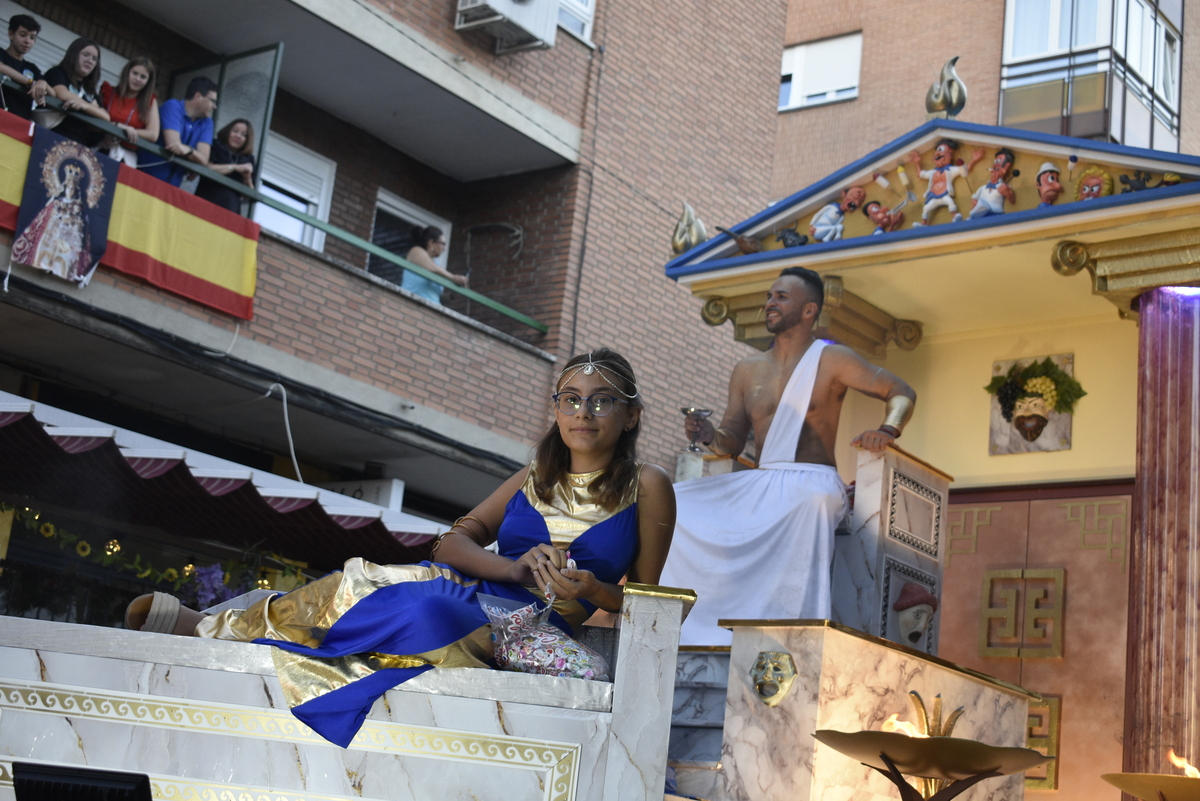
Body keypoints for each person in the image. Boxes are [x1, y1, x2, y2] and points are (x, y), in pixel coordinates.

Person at [125, 348, 676, 747]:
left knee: (428, 603)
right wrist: (511, 568)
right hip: (476, 590)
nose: (584, 413)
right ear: (556, 410)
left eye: (603, 401)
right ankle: (217, 625)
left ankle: (228, 626)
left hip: (534, 630)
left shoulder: (647, 487)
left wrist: (598, 589)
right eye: (571, 399)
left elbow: (652, 605)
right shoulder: (535, 473)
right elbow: (451, 543)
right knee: (376, 580)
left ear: (632, 416)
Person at [659, 266, 916, 645]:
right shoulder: (747, 370)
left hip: (814, 479)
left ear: (809, 310)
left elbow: (901, 391)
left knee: (807, 501)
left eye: (781, 296)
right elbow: (731, 439)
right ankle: (691, 629)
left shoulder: (834, 359)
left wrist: (887, 431)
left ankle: (791, 635)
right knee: (674, 501)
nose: (770, 303)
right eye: (769, 296)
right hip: (763, 478)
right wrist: (710, 435)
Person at [138, 76, 217, 187]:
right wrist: (194, 156)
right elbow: (174, 145)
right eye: (212, 101)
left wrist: (189, 151)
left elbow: (204, 159)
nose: (215, 106)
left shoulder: (207, 122)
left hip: (172, 187)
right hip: (145, 177)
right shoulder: (173, 106)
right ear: (198, 96)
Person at [43, 37, 109, 147]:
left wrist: (84, 106)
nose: (90, 61)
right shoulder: (57, 73)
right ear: (73, 54)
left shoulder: (90, 90)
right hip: (50, 136)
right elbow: (63, 94)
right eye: (86, 55)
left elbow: (106, 116)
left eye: (94, 58)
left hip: (77, 147)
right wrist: (92, 107)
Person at [98, 56, 159, 168]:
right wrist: (122, 127)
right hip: (100, 148)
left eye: (143, 77)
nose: (138, 79)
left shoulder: (149, 101)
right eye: (135, 73)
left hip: (125, 159)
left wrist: (130, 131)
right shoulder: (108, 92)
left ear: (148, 81)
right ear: (127, 72)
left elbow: (153, 134)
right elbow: (96, 119)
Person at [907, 139, 983, 224]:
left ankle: (955, 217)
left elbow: (964, 169)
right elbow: (920, 174)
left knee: (950, 202)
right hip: (934, 196)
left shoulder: (950, 170)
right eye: (936, 151)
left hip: (945, 194)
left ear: (949, 154)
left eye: (940, 150)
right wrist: (917, 163)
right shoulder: (932, 172)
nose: (937, 153)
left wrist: (974, 160)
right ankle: (923, 223)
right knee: (926, 208)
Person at [195, 118, 255, 213]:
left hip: (230, 209)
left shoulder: (248, 159)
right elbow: (207, 167)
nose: (238, 136)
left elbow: (248, 195)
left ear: (247, 140)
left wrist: (247, 177)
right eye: (235, 131)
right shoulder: (216, 145)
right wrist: (234, 167)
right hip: (206, 201)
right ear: (228, 131)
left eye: (243, 135)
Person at [0, 14, 50, 120]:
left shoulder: (33, 68)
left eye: (32, 37)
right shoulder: (1, 54)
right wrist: (30, 82)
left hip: (19, 126)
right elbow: (1, 67)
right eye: (23, 35)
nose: (27, 41)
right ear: (11, 34)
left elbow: (53, 92)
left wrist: (42, 83)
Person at [402, 225, 468, 304]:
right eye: (443, 244)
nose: (444, 248)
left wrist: (452, 296)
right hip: (411, 304)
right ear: (431, 242)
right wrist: (453, 278)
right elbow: (431, 268)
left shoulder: (437, 264)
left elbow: (435, 295)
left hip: (431, 308)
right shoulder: (416, 251)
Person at [966, 148, 1017, 220]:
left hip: (995, 216)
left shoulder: (1003, 186)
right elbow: (974, 198)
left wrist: (1008, 193)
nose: (995, 164)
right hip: (981, 215)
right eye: (995, 161)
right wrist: (975, 203)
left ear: (1006, 166)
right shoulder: (982, 188)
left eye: (999, 161)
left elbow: (1012, 200)